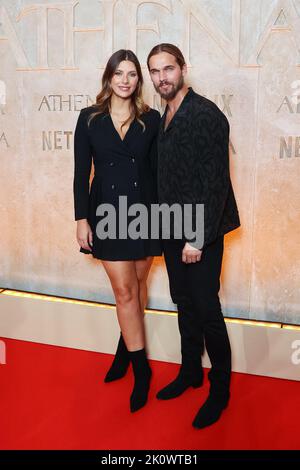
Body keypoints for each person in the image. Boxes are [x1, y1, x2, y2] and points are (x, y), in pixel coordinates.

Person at [147, 43, 241, 429]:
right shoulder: (162, 116)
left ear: (183, 68)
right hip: (171, 227)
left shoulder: (205, 114)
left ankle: (220, 389)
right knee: (183, 301)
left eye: (168, 69)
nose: (162, 77)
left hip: (199, 232)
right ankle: (190, 372)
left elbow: (215, 182)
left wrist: (197, 239)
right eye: (155, 71)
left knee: (206, 307)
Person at [73, 49, 162, 412]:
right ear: (108, 77)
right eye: (118, 73)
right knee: (124, 292)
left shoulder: (151, 118)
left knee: (138, 287)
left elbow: (159, 171)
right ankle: (142, 372)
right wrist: (82, 218)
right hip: (106, 215)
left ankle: (125, 350)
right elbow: (81, 174)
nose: (125, 80)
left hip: (146, 214)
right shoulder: (89, 119)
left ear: (138, 80)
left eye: (132, 74)